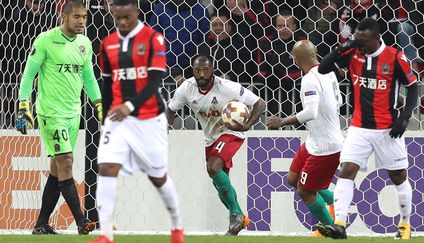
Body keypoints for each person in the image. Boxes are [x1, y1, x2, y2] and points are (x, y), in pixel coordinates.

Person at [316, 18, 418, 240]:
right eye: (357, 39)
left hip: (387, 129)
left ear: (376, 38)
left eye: (363, 40)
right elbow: (323, 68)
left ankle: (405, 225)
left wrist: (405, 118)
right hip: (359, 127)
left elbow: (413, 88)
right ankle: (339, 225)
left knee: (398, 176)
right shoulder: (353, 53)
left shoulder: (394, 57)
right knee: (346, 171)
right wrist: (344, 47)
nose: (359, 44)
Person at [91, 1, 184, 243]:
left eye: (127, 18)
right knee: (106, 167)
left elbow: (154, 83)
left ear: (137, 13)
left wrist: (130, 106)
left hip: (149, 118)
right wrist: (104, 123)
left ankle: (176, 227)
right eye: (118, 18)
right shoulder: (108, 44)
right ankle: (106, 235)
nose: (122, 22)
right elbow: (107, 85)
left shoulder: (154, 39)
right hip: (118, 120)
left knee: (158, 177)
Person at [15, 0, 100, 235]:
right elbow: (28, 74)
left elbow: (89, 77)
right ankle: (82, 221)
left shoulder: (85, 43)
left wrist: (98, 103)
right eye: (77, 17)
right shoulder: (45, 40)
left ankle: (41, 224)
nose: (82, 21)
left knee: (56, 168)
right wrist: (24, 106)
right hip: (51, 112)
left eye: (84, 17)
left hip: (74, 113)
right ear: (64, 17)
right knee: (66, 161)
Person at [166, 56, 266, 235]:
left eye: (206, 70)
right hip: (211, 138)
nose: (202, 74)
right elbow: (171, 110)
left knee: (213, 167)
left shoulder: (227, 87)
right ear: (193, 71)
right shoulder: (187, 89)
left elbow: (260, 103)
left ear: (213, 70)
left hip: (232, 132)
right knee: (220, 187)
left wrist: (248, 124)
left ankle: (236, 214)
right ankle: (238, 218)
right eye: (198, 70)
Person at [266, 40, 343, 237]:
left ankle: (334, 230)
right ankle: (334, 200)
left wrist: (282, 121)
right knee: (293, 178)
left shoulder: (309, 78)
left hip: (325, 147)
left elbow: (310, 112)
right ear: (315, 53)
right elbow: (340, 101)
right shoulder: (329, 72)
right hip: (314, 141)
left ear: (295, 59)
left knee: (305, 191)